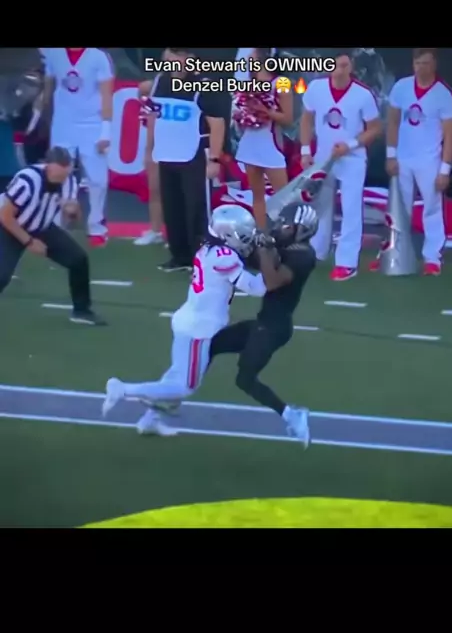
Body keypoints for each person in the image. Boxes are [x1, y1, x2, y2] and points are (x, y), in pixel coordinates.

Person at [102, 204, 267, 433]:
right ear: (227, 234)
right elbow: (257, 288)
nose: (248, 241)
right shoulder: (225, 256)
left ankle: (150, 420)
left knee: (175, 375)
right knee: (185, 386)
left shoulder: (210, 249)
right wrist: (274, 264)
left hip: (192, 320)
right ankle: (123, 390)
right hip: (199, 328)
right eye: (244, 236)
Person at [208, 202, 319, 448]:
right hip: (265, 322)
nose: (281, 228)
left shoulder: (303, 256)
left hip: (273, 328)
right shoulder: (288, 246)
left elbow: (272, 281)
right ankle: (175, 394)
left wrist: (265, 248)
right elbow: (254, 259)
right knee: (211, 345)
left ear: (302, 230)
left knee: (244, 379)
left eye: (287, 225)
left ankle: (292, 415)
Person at [300, 50, 382, 281]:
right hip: (323, 158)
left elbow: (375, 128)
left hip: (352, 159)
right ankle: (317, 252)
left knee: (351, 209)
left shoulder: (363, 94)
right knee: (320, 207)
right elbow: (306, 119)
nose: (340, 71)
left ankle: (347, 262)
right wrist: (305, 151)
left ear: (351, 66)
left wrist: (351, 144)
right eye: (336, 66)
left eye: (345, 65)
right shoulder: (316, 88)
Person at [0, 147, 105, 325]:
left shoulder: (69, 181)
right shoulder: (28, 180)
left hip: (42, 226)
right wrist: (29, 242)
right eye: (57, 176)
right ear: (47, 166)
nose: (60, 181)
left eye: (64, 175)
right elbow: (5, 216)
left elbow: (75, 217)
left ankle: (81, 311)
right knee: (2, 276)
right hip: (9, 227)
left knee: (78, 260)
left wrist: (72, 211)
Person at [146, 48, 228, 272]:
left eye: (177, 58)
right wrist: (150, 148)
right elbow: (153, 113)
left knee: (197, 208)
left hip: (194, 155)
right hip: (166, 153)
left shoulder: (203, 85)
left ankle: (201, 257)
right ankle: (179, 256)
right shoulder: (160, 81)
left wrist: (214, 159)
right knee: (172, 207)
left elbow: (217, 124)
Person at [382, 48, 452, 276]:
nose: (420, 68)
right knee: (398, 208)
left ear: (434, 64)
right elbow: (392, 122)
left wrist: (444, 170)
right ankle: (393, 252)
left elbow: (450, 135)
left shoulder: (444, 94)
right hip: (403, 157)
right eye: (417, 63)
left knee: (432, 208)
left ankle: (432, 257)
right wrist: (390, 155)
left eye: (425, 63)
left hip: (429, 159)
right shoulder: (401, 87)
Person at [43, 47, 115, 247]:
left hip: (92, 124)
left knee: (97, 179)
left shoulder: (99, 57)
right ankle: (56, 224)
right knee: (56, 174)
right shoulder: (53, 53)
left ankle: (96, 226)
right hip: (63, 123)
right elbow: (49, 85)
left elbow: (106, 94)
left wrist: (106, 131)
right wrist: (41, 110)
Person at [234, 48, 293, 229]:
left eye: (251, 56)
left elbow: (288, 119)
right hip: (250, 145)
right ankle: (262, 234)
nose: (248, 59)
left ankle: (288, 235)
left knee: (284, 198)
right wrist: (241, 115)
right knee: (257, 195)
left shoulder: (282, 83)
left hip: (271, 146)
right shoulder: (248, 84)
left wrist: (265, 111)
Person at [133, 76, 166, 246]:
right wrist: (149, 149)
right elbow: (143, 87)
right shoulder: (159, 83)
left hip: (179, 142)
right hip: (156, 143)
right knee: (154, 188)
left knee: (178, 192)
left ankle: (179, 233)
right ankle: (155, 230)